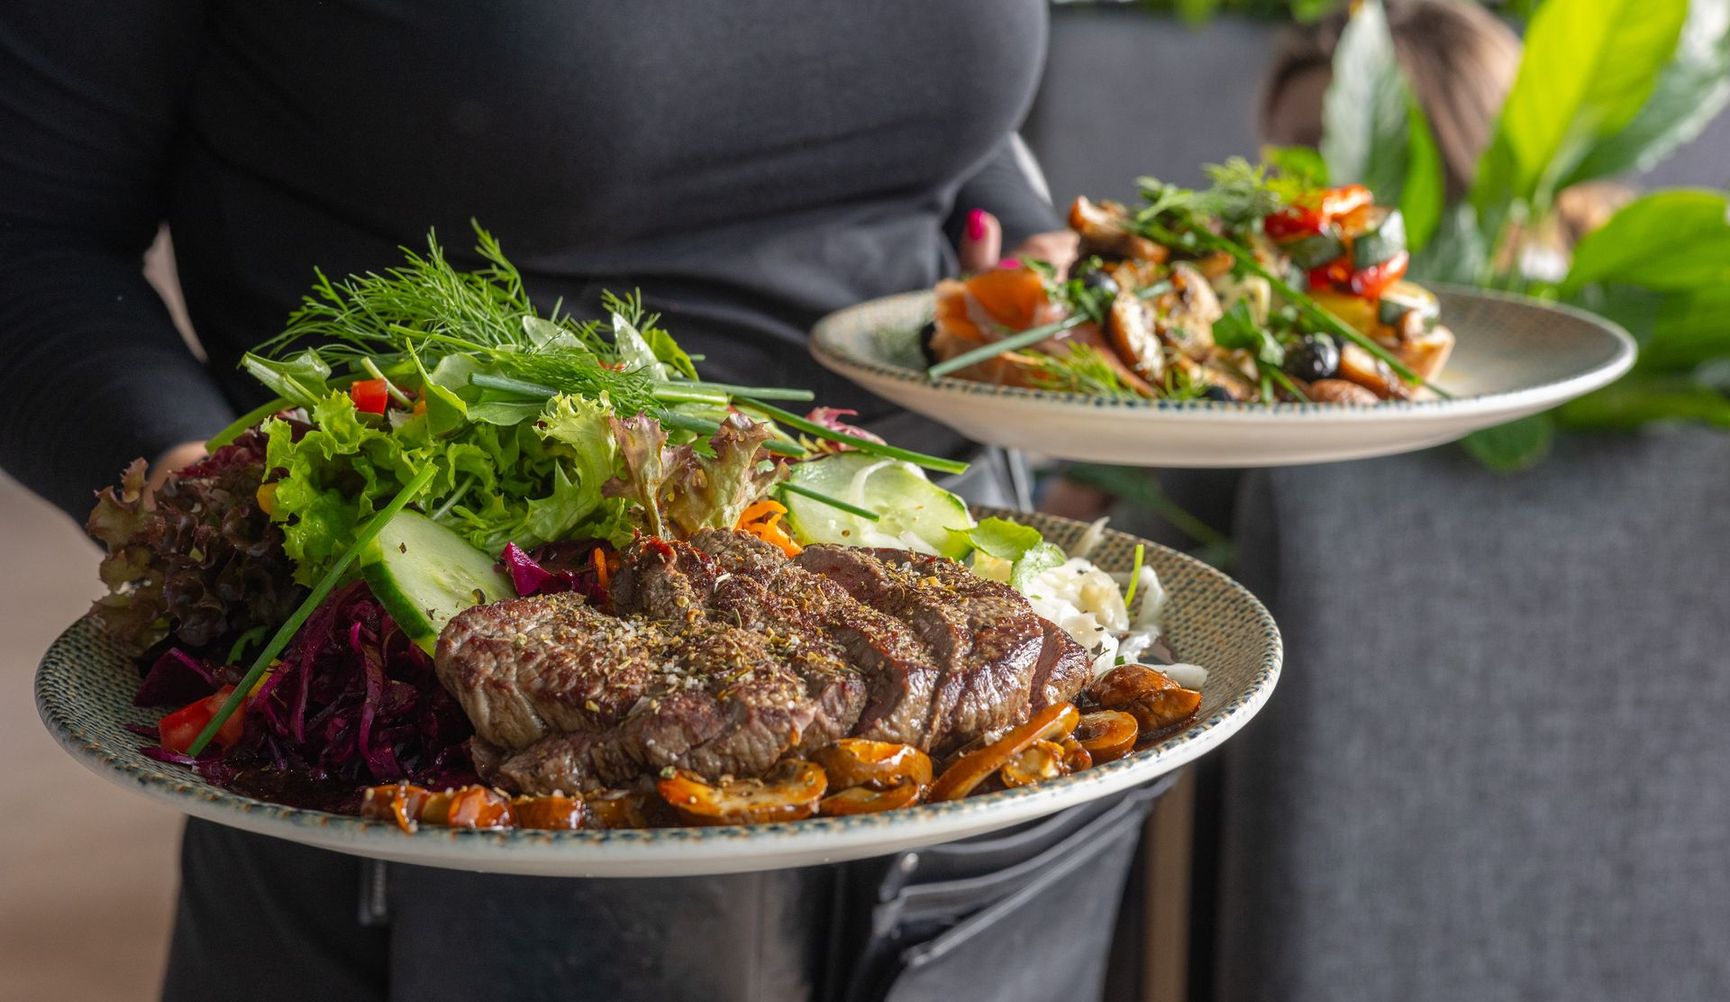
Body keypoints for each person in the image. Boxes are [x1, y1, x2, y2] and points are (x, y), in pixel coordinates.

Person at [0, 5, 1124, 1001]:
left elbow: (945, 116)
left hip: (975, 658)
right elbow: (30, 234)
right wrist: (215, 509)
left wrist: (1017, 234)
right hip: (464, 700)